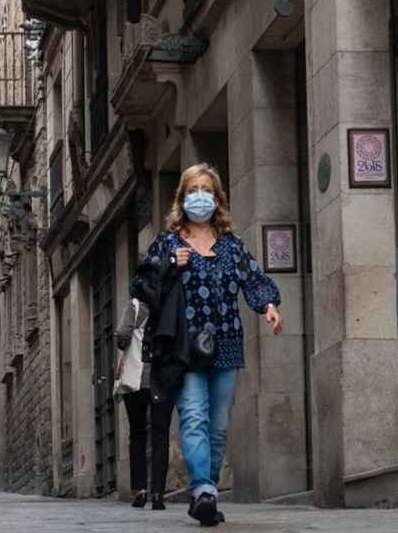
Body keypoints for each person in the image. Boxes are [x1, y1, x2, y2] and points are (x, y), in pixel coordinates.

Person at [139, 163, 283, 526]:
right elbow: (140, 285)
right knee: (194, 417)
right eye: (192, 190)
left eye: (206, 189)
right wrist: (172, 263)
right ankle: (202, 489)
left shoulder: (231, 247)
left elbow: (254, 280)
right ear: (182, 198)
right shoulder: (168, 243)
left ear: (217, 199)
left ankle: (209, 491)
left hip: (227, 344)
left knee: (218, 426)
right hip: (184, 349)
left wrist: (268, 306)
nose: (199, 196)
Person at [114, 299, 174, 511]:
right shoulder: (170, 303)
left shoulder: (135, 305)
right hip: (163, 378)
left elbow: (122, 334)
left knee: (137, 434)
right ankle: (158, 494)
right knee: (161, 435)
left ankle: (139, 491)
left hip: (136, 379)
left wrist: (125, 345)